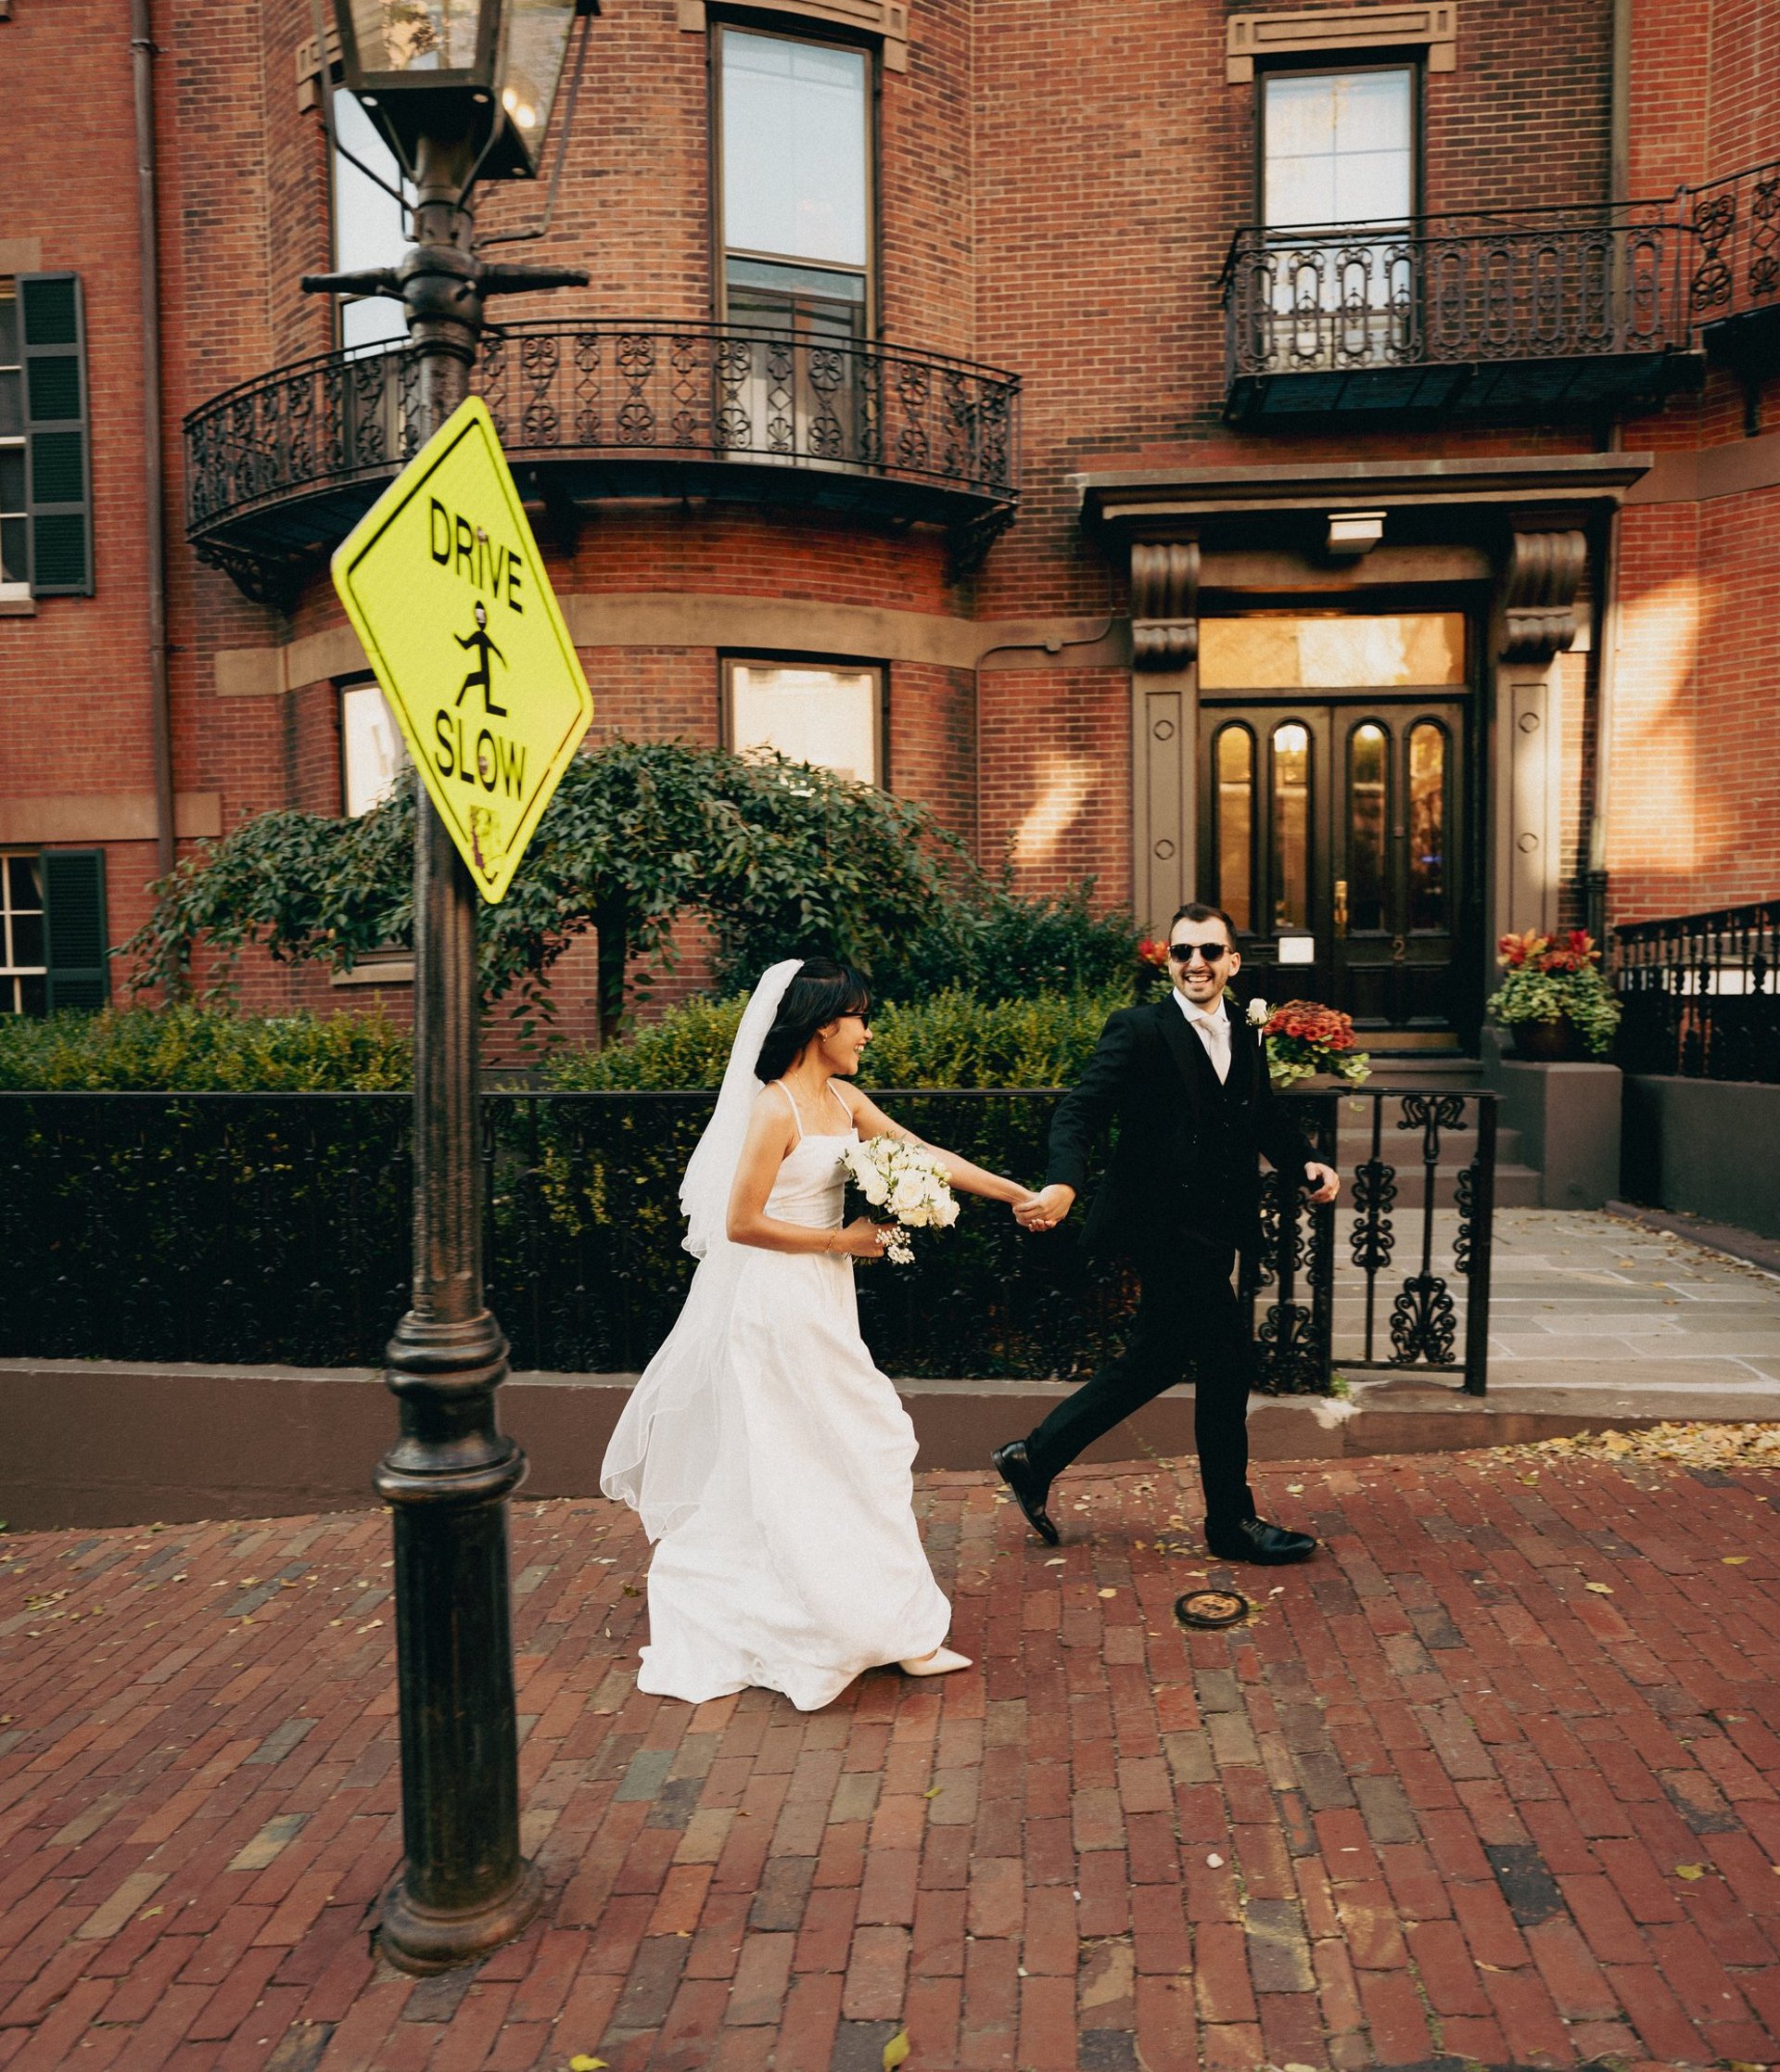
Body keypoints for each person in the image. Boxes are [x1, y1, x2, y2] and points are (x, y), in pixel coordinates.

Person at [602, 957, 1042, 1710]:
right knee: (857, 1438)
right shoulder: (775, 1109)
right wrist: (843, 1241)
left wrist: (1017, 1195)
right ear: (822, 1024)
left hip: (822, 1296)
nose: (868, 1032)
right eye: (860, 1017)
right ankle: (860, 1624)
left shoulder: (843, 1099)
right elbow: (740, 1224)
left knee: (831, 1451)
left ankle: (887, 1625)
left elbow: (921, 1152)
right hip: (776, 1304)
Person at [994, 903, 1341, 1564]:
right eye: (1182, 952)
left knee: (1153, 1361)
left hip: (1218, 1227)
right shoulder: (1138, 1029)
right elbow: (1079, 1110)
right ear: (1169, 960)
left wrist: (1304, 1162)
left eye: (1210, 951)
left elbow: (1260, 1113)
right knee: (1227, 1362)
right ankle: (1230, 1523)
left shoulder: (1245, 1028)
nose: (1196, 963)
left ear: (1232, 962)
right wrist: (1065, 1181)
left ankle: (1034, 1457)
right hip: (1162, 1227)